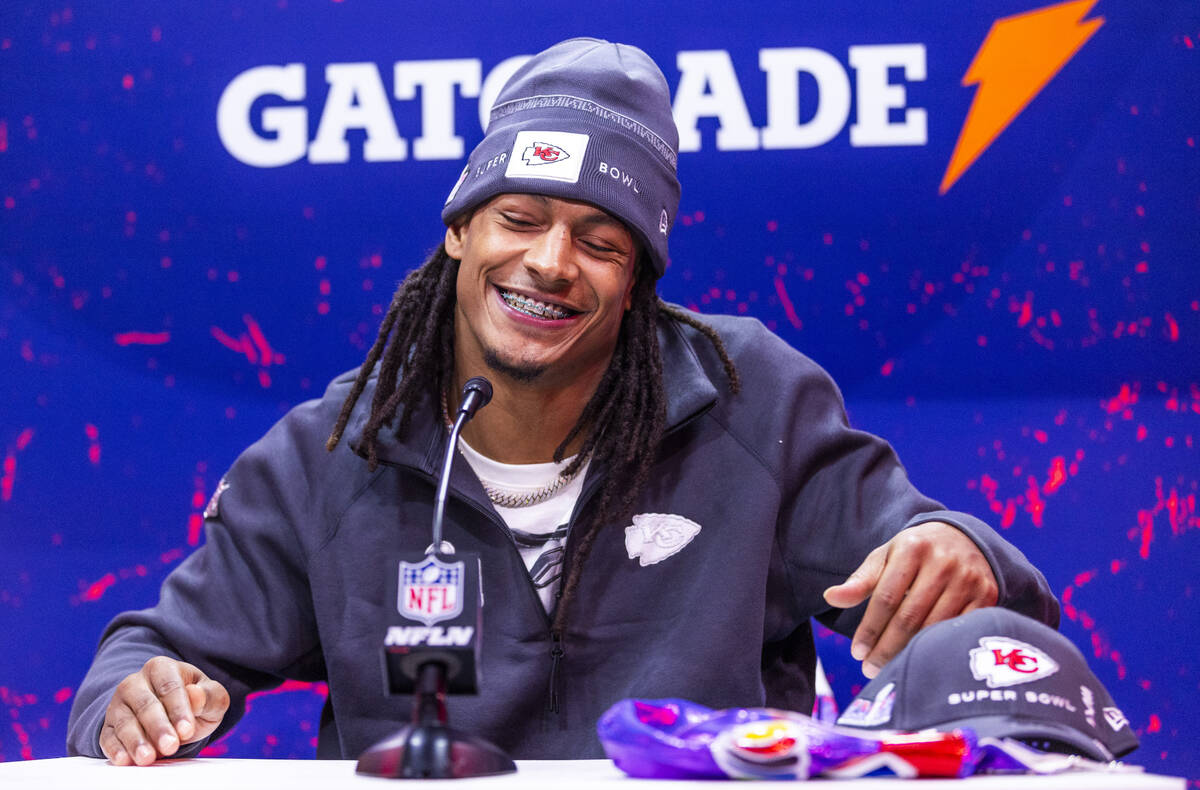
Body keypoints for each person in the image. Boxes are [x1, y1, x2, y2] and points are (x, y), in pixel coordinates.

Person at [67, 38, 1057, 765]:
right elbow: (151, 654)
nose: (549, 261)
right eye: (520, 217)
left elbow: (983, 603)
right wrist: (137, 697)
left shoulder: (751, 399)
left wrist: (966, 559)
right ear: (459, 230)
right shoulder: (333, 450)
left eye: (599, 238)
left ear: (638, 276)